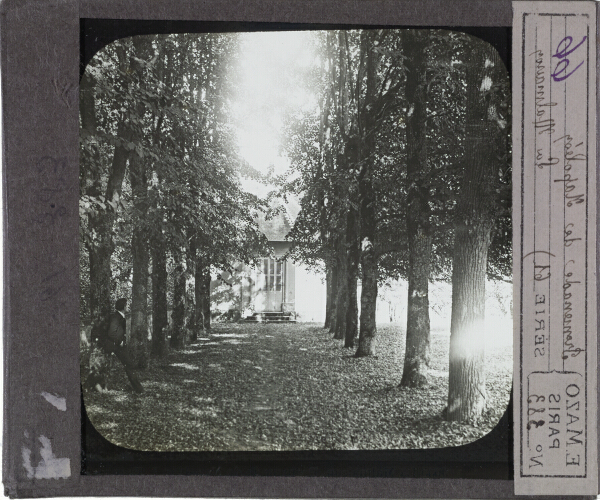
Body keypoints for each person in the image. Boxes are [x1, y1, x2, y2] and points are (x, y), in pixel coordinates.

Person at [97, 298, 144, 393]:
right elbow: (111, 333)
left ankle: (138, 389)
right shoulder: (116, 317)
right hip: (115, 345)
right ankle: (139, 389)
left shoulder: (120, 316)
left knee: (124, 365)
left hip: (116, 345)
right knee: (129, 365)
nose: (128, 306)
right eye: (127, 305)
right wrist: (120, 342)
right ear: (123, 306)